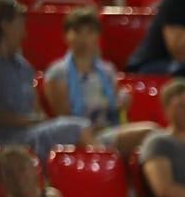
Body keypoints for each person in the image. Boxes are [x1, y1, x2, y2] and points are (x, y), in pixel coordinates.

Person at [0, 0, 95, 160]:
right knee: (79, 127)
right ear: (5, 25)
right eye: (20, 26)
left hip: (32, 132)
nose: (24, 34)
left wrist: (39, 120)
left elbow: (36, 110)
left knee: (80, 131)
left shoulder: (24, 67)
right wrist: (22, 121)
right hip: (4, 139)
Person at [38, 16, 133, 158]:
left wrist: (123, 102)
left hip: (110, 130)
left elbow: (116, 106)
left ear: (98, 36)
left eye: (89, 32)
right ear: (66, 36)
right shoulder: (57, 73)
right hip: (79, 136)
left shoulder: (108, 70)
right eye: (77, 32)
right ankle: (105, 160)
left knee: (151, 134)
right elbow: (65, 118)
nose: (83, 38)